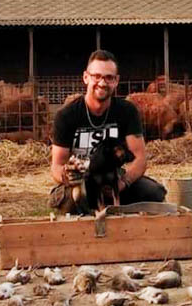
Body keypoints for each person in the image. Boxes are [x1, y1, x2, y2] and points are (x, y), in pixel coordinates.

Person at [50, 49, 166, 212]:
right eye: (96, 76)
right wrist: (66, 175)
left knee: (154, 192)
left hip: (114, 177)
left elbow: (140, 159)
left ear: (116, 81)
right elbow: (56, 165)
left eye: (109, 77)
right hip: (82, 180)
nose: (102, 83)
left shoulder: (127, 111)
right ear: (86, 78)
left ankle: (118, 213)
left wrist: (122, 183)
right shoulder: (66, 115)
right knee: (72, 200)